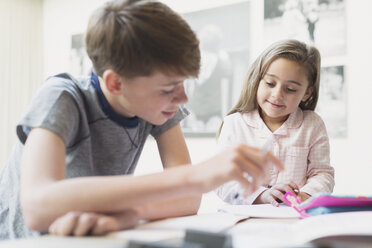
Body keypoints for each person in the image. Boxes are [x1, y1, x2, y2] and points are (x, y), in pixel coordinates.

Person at [0, 0, 284, 239]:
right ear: (115, 84)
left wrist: (127, 215)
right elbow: (37, 205)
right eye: (168, 88)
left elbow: (188, 200)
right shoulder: (62, 96)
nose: (182, 98)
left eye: (183, 84)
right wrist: (196, 176)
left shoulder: (154, 106)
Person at [215, 39, 335, 207]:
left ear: (307, 93)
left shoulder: (312, 124)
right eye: (270, 83)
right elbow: (223, 180)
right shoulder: (234, 123)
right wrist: (262, 195)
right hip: (247, 219)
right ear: (257, 80)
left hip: (294, 217)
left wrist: (305, 195)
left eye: (291, 89)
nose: (277, 95)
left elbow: (322, 173)